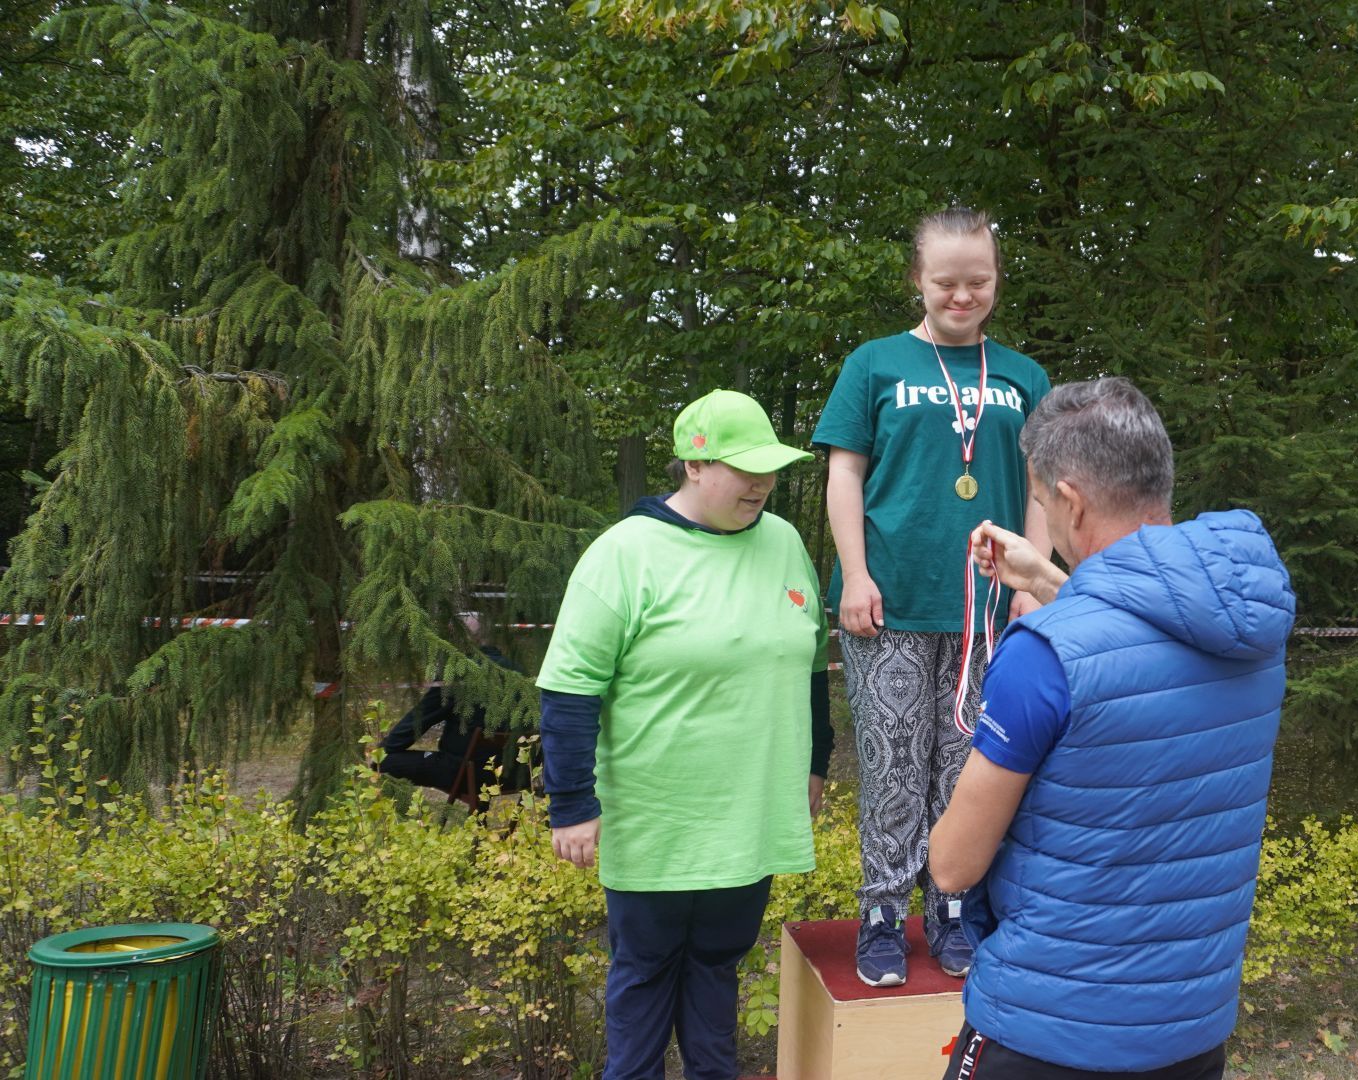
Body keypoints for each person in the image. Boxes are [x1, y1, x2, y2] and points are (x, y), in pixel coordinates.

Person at [928, 377, 1295, 1079]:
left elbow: (953, 866)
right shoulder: (1248, 631)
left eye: (1041, 503)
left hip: (1045, 1031)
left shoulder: (1041, 657)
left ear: (1069, 499)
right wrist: (1045, 576)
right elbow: (1140, 646)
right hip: (1188, 1034)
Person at [536, 390, 834, 1080]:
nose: (761, 483)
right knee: (643, 975)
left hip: (750, 816)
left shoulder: (785, 542)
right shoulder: (625, 554)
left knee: (717, 969)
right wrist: (572, 803)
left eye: (770, 468)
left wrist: (815, 765)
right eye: (743, 468)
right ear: (694, 466)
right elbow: (569, 688)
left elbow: (812, 666)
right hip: (657, 817)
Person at [811, 206, 1053, 987]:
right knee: (891, 766)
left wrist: (1034, 579)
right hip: (892, 605)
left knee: (968, 769)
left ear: (996, 281)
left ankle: (951, 907)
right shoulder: (874, 364)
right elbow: (843, 473)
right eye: (946, 282)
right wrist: (855, 573)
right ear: (917, 279)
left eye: (978, 281)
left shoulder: (1023, 375)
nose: (962, 296)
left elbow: (1045, 488)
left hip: (987, 613)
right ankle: (881, 916)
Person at [373, 611, 527, 808]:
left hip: (463, 772)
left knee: (384, 762)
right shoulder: (519, 673)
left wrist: (384, 750)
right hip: (513, 773)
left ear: (462, 638)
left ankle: (397, 819)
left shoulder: (459, 676)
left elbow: (418, 720)